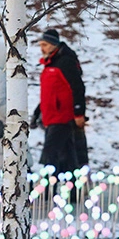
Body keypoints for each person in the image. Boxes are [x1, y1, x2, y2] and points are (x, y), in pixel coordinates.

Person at [38, 29, 88, 169]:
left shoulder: (65, 62)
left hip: (62, 117)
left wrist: (79, 113)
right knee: (67, 158)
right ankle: (71, 188)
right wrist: (39, 111)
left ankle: (48, 187)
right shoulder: (49, 65)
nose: (42, 49)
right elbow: (49, 93)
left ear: (54, 45)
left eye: (45, 45)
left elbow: (77, 88)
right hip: (51, 118)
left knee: (50, 156)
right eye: (41, 45)